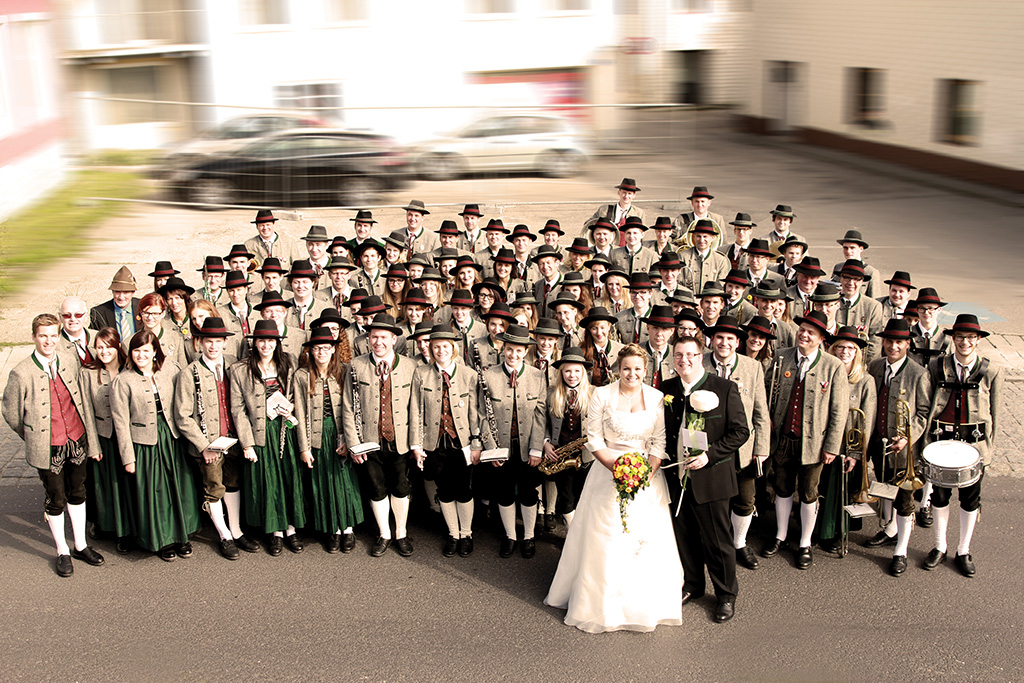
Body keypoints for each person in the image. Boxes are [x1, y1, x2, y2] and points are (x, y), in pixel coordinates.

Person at [544, 344, 680, 633]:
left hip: (645, 474)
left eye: (638, 369)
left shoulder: (656, 397)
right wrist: (617, 469)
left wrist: (645, 474)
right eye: (627, 368)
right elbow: (593, 438)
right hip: (607, 471)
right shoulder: (602, 395)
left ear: (647, 371)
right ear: (618, 369)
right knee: (606, 534)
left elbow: (659, 441)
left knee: (643, 538)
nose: (632, 373)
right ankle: (600, 602)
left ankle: (639, 603)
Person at [3, 313, 104, 576]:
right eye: (43, 336)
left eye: (53, 335)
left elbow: (81, 400)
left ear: (59, 336)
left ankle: (81, 544)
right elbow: (11, 414)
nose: (49, 341)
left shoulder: (68, 359)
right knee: (56, 498)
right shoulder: (20, 372)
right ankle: (62, 550)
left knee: (78, 491)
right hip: (49, 446)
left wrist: (90, 442)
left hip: (77, 438)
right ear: (34, 337)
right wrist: (34, 435)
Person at [663, 335, 750, 623]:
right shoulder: (666, 389)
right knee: (684, 537)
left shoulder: (724, 389)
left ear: (701, 356)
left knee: (717, 541)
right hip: (676, 477)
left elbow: (740, 432)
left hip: (711, 478)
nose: (683, 360)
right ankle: (693, 585)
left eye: (689, 354)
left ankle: (726, 594)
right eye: (678, 355)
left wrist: (709, 456)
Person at [762, 311, 849, 570]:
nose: (804, 334)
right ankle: (780, 535)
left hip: (814, 443)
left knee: (809, 492)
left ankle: (805, 542)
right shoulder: (781, 357)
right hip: (783, 438)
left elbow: (839, 410)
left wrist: (832, 445)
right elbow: (766, 394)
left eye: (811, 332)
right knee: (781, 487)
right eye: (802, 330)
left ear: (822, 338)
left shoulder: (833, 366)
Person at [920, 314, 1002, 577]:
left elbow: (995, 414)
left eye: (969, 337)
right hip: (942, 440)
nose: (964, 342)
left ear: (978, 340)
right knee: (940, 496)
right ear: (952, 339)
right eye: (959, 337)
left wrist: (988, 451)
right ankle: (939, 546)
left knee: (970, 499)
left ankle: (963, 550)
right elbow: (927, 403)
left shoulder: (991, 370)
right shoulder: (937, 366)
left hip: (974, 444)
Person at [110, 330, 200, 561]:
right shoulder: (123, 380)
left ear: (155, 352)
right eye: (137, 350)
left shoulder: (170, 370)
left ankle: (182, 537)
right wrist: (128, 457)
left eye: (146, 351)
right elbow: (120, 422)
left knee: (179, 487)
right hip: (145, 443)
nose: (141, 355)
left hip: (172, 438)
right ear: (130, 353)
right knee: (156, 492)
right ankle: (162, 540)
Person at [173, 317, 258, 560]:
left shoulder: (234, 365)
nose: (213, 346)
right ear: (199, 343)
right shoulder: (189, 373)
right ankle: (224, 535)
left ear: (225, 343)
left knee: (233, 483)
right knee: (214, 488)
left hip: (232, 438)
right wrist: (203, 446)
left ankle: (236, 530)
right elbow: (182, 416)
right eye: (208, 341)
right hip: (209, 444)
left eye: (217, 341)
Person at [343, 313, 416, 558]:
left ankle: (401, 533)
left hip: (400, 438)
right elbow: (348, 406)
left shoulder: (409, 366)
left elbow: (415, 408)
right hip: (369, 439)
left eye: (384, 337)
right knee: (376, 488)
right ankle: (384, 533)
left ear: (394, 339)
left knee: (401, 486)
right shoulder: (357, 365)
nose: (378, 342)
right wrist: (354, 443)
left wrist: (415, 442)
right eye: (374, 337)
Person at [230, 320, 305, 555]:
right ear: (254, 343)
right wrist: (247, 443)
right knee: (270, 481)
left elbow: (297, 395)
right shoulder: (240, 370)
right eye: (261, 340)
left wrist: (291, 406)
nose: (266, 345)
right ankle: (276, 532)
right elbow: (237, 409)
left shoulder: (289, 363)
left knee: (288, 478)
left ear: (277, 343)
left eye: (270, 340)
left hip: (285, 430)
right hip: (260, 434)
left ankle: (291, 529)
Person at [702, 317, 770, 573]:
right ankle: (711, 543)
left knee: (745, 499)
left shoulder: (752, 367)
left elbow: (760, 412)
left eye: (730, 339)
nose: (724, 343)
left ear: (738, 342)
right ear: (712, 339)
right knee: (711, 499)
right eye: (719, 337)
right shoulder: (700, 363)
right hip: (710, 446)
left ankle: (739, 543)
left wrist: (761, 447)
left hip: (744, 447)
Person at [410, 324, 483, 557]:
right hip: (435, 442)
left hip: (460, 442)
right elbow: (416, 411)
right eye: (435, 347)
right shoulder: (421, 374)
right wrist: (417, 444)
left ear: (453, 348)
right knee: (444, 490)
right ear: (430, 349)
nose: (440, 350)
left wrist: (476, 443)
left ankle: (467, 533)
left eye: (445, 346)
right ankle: (453, 534)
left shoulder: (468, 375)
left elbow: (475, 412)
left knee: (463, 489)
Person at [479, 325, 548, 558]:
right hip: (501, 447)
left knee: (529, 492)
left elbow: (540, 415)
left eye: (519, 351)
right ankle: (510, 535)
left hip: (528, 446)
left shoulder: (538, 376)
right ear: (503, 349)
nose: (513, 355)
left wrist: (537, 448)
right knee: (504, 492)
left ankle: (528, 536)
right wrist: (491, 449)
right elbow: (482, 415)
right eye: (509, 350)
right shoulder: (489, 376)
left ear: (526, 352)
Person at [294, 327, 363, 554]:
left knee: (343, 481)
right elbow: (300, 413)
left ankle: (348, 529)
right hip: (316, 435)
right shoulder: (302, 376)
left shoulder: (344, 371)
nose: (322, 352)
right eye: (317, 348)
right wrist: (304, 448)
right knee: (323, 482)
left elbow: (351, 408)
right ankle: (332, 529)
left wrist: (348, 439)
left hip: (340, 432)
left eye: (326, 348)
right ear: (311, 351)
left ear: (333, 349)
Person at [815, 327, 876, 556]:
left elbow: (866, 420)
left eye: (850, 348)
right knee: (818, 489)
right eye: (840, 346)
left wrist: (857, 453)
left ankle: (835, 534)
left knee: (840, 493)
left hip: (847, 447)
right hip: (824, 441)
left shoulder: (865, 381)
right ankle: (817, 530)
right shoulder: (826, 372)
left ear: (857, 352)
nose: (844, 351)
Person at [81, 328, 135, 552]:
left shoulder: (129, 369)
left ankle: (131, 529)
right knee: (108, 487)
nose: (104, 351)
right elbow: (85, 410)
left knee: (129, 485)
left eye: (108, 347)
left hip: (129, 438)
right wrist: (93, 445)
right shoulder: (88, 373)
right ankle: (113, 529)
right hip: (104, 438)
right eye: (99, 347)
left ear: (117, 347)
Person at [541, 348, 594, 527]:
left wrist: (592, 441)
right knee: (565, 496)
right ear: (561, 372)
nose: (572, 375)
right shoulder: (551, 393)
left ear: (583, 373)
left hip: (586, 455)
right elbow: (544, 422)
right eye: (568, 371)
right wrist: (546, 443)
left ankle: (583, 532)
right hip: (560, 453)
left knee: (584, 494)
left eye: (577, 371)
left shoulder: (594, 393)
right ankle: (571, 532)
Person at [836, 259, 884, 361]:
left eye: (856, 279)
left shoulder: (873, 306)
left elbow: (875, 343)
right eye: (847, 278)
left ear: (862, 281)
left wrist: (861, 366)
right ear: (840, 278)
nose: (851, 283)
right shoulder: (831, 303)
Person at [581, 177, 645, 247]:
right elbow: (587, 225)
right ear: (619, 192)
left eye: (629, 193)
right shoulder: (604, 210)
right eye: (624, 193)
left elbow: (641, 237)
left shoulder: (639, 213)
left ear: (634, 195)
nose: (626, 196)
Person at [90, 266, 141, 344]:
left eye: (126, 292)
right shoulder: (99, 313)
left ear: (133, 292)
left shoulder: (143, 307)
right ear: (112, 291)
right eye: (117, 292)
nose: (121, 297)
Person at [679, 220, 730, 294]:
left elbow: (721, 287)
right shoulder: (683, 256)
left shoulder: (721, 260)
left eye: (705, 236)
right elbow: (678, 282)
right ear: (694, 237)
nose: (702, 240)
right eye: (698, 236)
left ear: (712, 238)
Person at [579, 307, 622, 387]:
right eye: (594, 328)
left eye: (602, 327)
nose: (599, 333)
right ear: (589, 329)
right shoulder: (581, 351)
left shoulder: (621, 350)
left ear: (609, 327)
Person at [831, 229, 879, 299]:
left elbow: (874, 300)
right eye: (845, 248)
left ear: (861, 249)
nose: (848, 251)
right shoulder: (838, 267)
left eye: (852, 248)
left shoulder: (871, 272)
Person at [59, 296, 97, 365]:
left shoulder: (99, 337)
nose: (73, 319)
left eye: (78, 315)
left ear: (85, 316)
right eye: (67, 315)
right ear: (60, 317)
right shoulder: (54, 344)